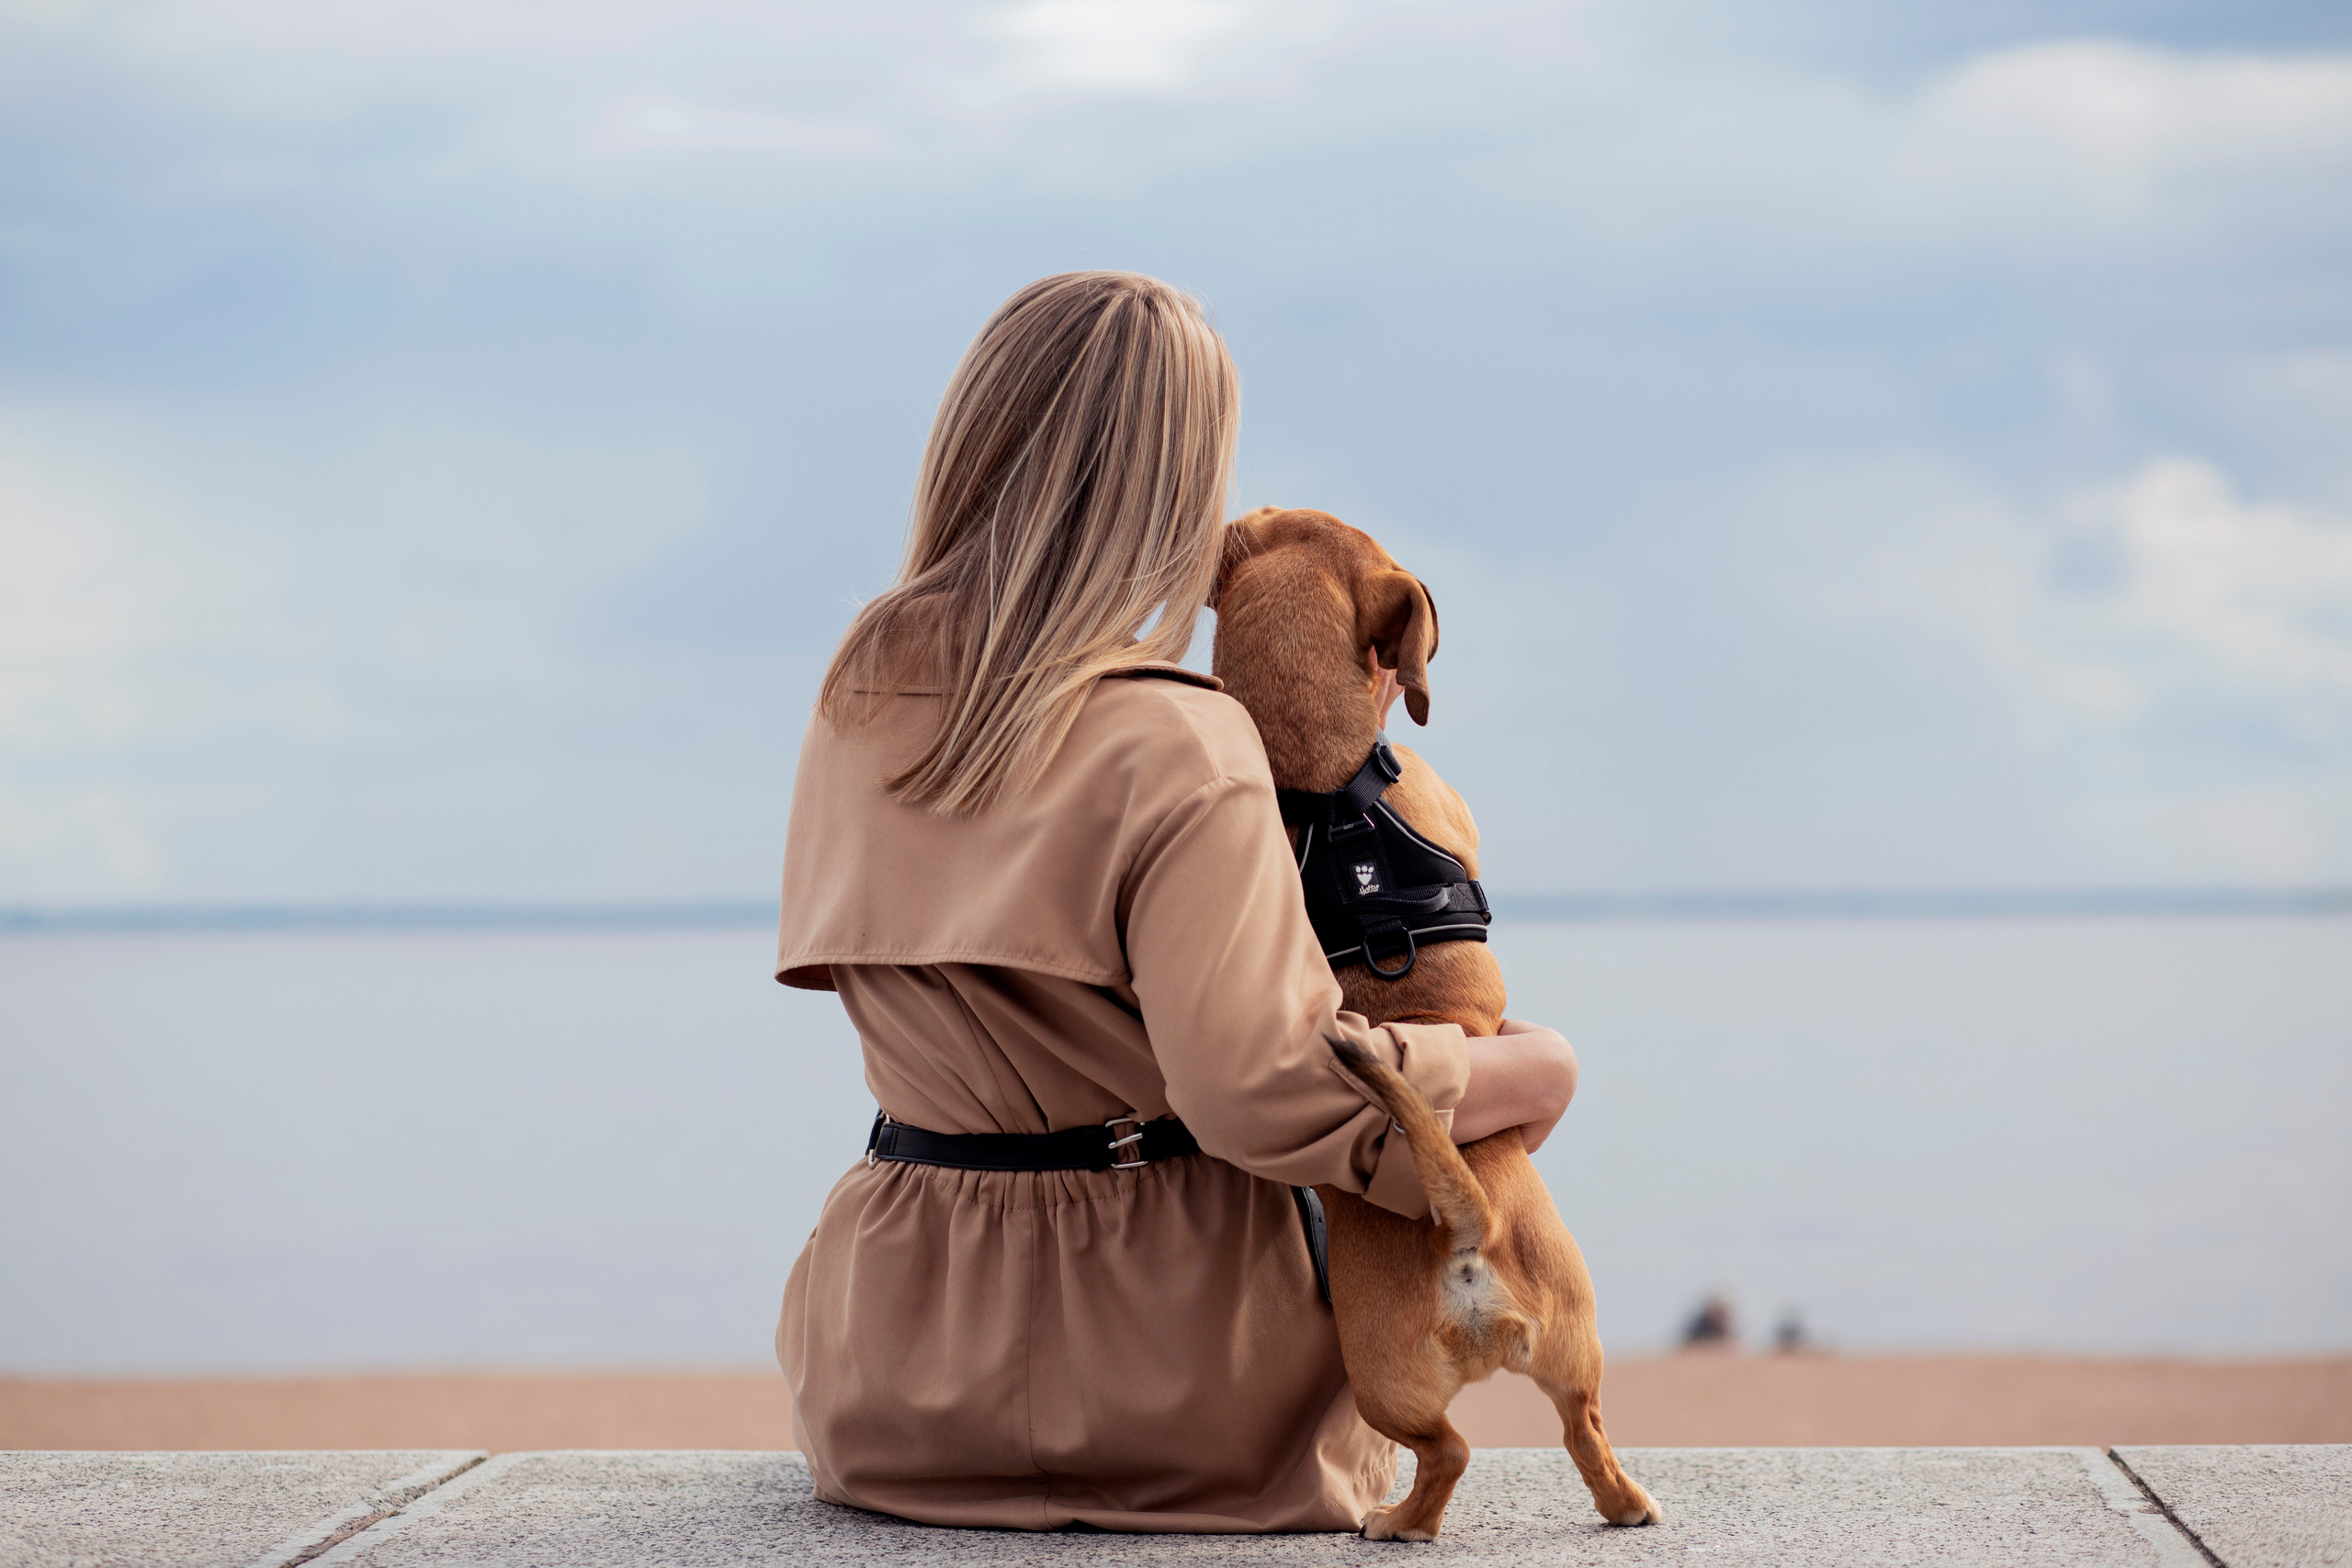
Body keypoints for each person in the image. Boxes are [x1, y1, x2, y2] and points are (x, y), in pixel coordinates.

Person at [772, 270, 1579, 1532]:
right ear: (1176, 489)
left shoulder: (857, 698)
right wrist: (1529, 1072)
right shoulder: (1182, 743)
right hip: (1181, 1385)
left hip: (888, 1374)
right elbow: (1264, 1092)